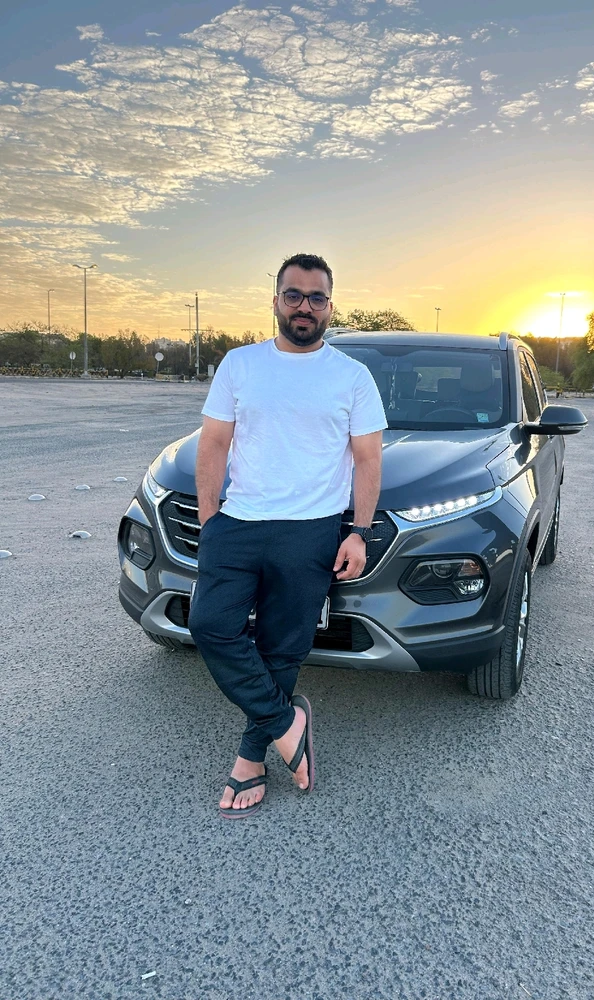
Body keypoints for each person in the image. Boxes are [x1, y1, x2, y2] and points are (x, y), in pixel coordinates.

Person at [188, 253, 387, 819]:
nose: (305, 306)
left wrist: (359, 532)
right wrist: (210, 521)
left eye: (316, 297)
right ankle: (285, 722)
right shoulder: (240, 364)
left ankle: (250, 757)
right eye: (294, 295)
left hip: (311, 530)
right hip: (238, 524)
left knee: (281, 648)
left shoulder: (351, 376)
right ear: (275, 300)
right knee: (210, 626)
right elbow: (214, 444)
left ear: (330, 307)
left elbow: (368, 459)